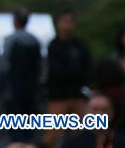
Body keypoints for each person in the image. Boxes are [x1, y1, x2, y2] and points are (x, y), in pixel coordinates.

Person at [44, 10, 92, 148]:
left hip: (78, 95)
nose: (68, 25)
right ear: (58, 24)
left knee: (78, 134)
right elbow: (55, 70)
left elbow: (87, 67)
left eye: (70, 21)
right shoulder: (54, 46)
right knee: (51, 136)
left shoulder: (80, 45)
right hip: (58, 96)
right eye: (64, 21)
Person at [0, 6, 42, 145]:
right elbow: (39, 67)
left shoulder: (11, 40)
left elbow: (3, 68)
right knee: (29, 128)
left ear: (15, 21)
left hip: (13, 90)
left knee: (15, 130)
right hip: (31, 90)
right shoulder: (34, 41)